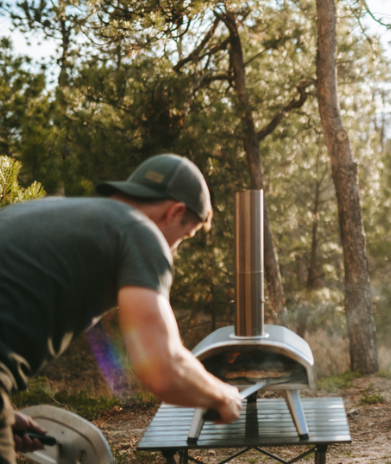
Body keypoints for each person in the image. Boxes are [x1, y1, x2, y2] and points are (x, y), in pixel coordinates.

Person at [0, 154, 244, 464]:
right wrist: (222, 395)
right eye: (184, 237)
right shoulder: (139, 231)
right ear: (175, 211)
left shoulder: (38, 210)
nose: (173, 250)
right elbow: (162, 368)